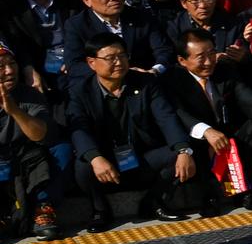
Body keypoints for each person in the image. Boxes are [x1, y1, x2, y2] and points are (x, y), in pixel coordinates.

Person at [68, 35, 196, 230]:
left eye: (122, 55)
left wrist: (183, 149)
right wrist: (95, 157)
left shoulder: (145, 82)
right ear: (92, 63)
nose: (119, 62)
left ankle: (154, 201)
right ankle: (100, 209)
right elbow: (79, 130)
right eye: (110, 58)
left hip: (141, 157)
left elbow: (166, 117)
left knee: (177, 154)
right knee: (83, 164)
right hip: (106, 163)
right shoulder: (80, 90)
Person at [162, 28, 252, 212]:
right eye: (200, 57)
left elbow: (246, 97)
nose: (209, 62)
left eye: (212, 53)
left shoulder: (225, 68)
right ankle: (209, 195)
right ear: (182, 60)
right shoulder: (171, 79)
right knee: (193, 145)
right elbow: (179, 113)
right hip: (197, 136)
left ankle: (244, 191)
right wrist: (206, 131)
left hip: (228, 131)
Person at [0, 43, 60, 238]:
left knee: (61, 151)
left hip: (24, 157)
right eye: (1, 65)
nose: (9, 71)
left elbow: (40, 134)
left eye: (12, 63)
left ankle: (41, 209)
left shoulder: (29, 94)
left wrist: (15, 111)